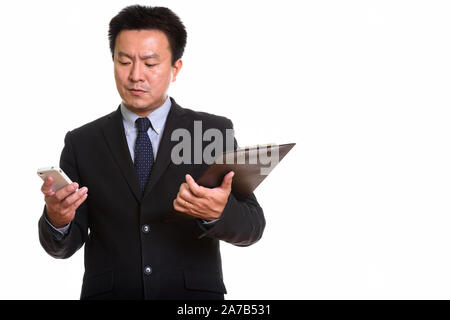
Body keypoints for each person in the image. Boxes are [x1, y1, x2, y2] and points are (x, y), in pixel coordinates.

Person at [38, 5, 265, 300]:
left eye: (150, 63)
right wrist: (58, 219)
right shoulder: (83, 142)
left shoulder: (211, 132)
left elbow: (253, 226)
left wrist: (218, 213)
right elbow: (62, 247)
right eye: (124, 61)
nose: (135, 75)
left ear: (175, 68)